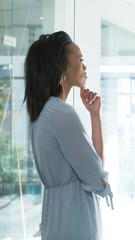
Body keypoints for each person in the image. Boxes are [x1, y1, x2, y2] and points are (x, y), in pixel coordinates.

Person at [23, 31, 113, 240]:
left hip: (56, 219)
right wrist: (100, 180)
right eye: (80, 60)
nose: (85, 66)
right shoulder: (62, 114)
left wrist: (94, 116)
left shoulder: (42, 114)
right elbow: (97, 176)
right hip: (76, 220)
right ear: (60, 66)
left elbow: (94, 168)